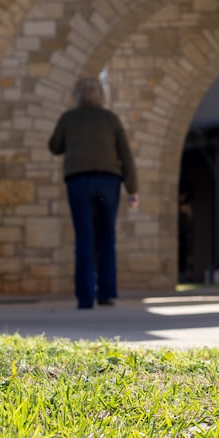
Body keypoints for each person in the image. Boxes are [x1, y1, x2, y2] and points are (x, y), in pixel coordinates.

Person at [49, 77, 140, 310]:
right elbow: (125, 155)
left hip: (79, 183)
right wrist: (132, 189)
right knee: (106, 235)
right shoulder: (110, 119)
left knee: (84, 237)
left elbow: (55, 146)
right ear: (101, 95)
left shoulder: (69, 118)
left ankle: (85, 297)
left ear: (77, 95)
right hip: (106, 185)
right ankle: (106, 293)